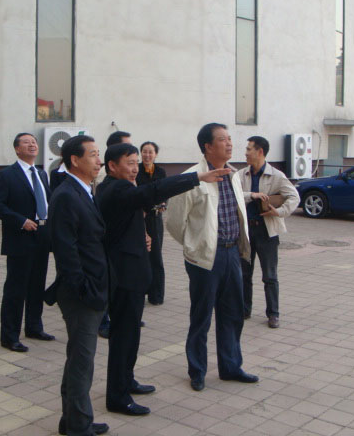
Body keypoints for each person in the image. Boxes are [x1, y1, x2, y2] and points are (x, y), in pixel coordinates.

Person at [97, 143, 229, 415]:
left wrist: (141, 234)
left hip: (132, 274)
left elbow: (131, 213)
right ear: (111, 166)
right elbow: (153, 191)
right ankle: (117, 397)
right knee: (123, 337)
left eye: (136, 163)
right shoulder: (115, 188)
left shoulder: (121, 187)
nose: (135, 168)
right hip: (123, 277)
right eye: (129, 163)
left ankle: (127, 380)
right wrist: (196, 178)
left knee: (131, 334)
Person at [166, 123, 258, 391]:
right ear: (207, 146)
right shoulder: (191, 178)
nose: (229, 143)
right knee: (202, 316)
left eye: (229, 138)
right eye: (222, 139)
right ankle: (197, 370)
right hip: (205, 258)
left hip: (232, 253)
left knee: (232, 314)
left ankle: (231, 367)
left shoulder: (232, 174)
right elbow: (174, 222)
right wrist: (195, 246)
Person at [48, 135, 109, 436]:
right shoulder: (66, 195)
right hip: (81, 294)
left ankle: (72, 420)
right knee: (82, 362)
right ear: (75, 160)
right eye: (94, 155)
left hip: (91, 287)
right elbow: (65, 249)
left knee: (78, 359)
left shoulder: (84, 190)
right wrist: (84, 288)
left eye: (99, 154)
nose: (99, 160)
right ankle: (79, 427)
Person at [0, 133, 54, 353]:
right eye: (26, 142)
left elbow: (47, 201)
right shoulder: (8, 175)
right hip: (20, 238)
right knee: (16, 289)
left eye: (34, 142)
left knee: (37, 285)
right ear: (17, 149)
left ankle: (34, 327)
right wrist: (21, 221)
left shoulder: (42, 173)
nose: (32, 144)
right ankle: (10, 336)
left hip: (42, 235)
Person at [239, 136, 300, 326]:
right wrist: (252, 195)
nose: (245, 153)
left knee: (270, 276)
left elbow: (294, 197)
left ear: (260, 152)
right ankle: (244, 310)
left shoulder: (276, 176)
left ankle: (273, 314)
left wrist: (279, 212)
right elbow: (234, 194)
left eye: (249, 149)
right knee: (244, 274)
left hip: (267, 232)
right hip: (245, 231)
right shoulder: (241, 174)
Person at [95, 130, 132, 339]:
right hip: (110, 236)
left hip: (123, 236)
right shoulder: (106, 176)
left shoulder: (126, 172)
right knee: (108, 281)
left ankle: (121, 314)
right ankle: (103, 321)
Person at [136, 141, 167, 305]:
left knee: (156, 256)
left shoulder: (161, 172)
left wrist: (163, 204)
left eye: (150, 152)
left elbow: (165, 192)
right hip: (139, 218)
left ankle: (156, 295)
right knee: (141, 255)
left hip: (155, 218)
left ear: (156, 154)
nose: (147, 155)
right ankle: (140, 291)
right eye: (144, 152)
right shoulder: (136, 170)